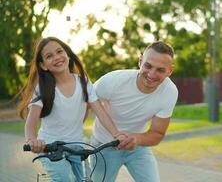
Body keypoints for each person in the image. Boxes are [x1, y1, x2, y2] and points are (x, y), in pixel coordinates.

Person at [18, 37, 121, 182]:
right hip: (50, 146)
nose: (56, 57)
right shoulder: (43, 88)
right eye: (49, 56)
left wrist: (117, 135)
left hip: (78, 145)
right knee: (65, 178)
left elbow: (101, 112)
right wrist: (32, 140)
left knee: (86, 179)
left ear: (67, 53)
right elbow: (31, 121)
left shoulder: (83, 82)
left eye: (59, 51)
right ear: (43, 65)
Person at [90, 41, 178, 182]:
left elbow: (157, 133)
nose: (152, 74)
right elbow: (85, 103)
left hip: (137, 147)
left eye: (160, 70)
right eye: (148, 66)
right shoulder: (113, 81)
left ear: (170, 71)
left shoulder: (170, 92)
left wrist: (136, 139)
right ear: (140, 61)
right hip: (104, 145)